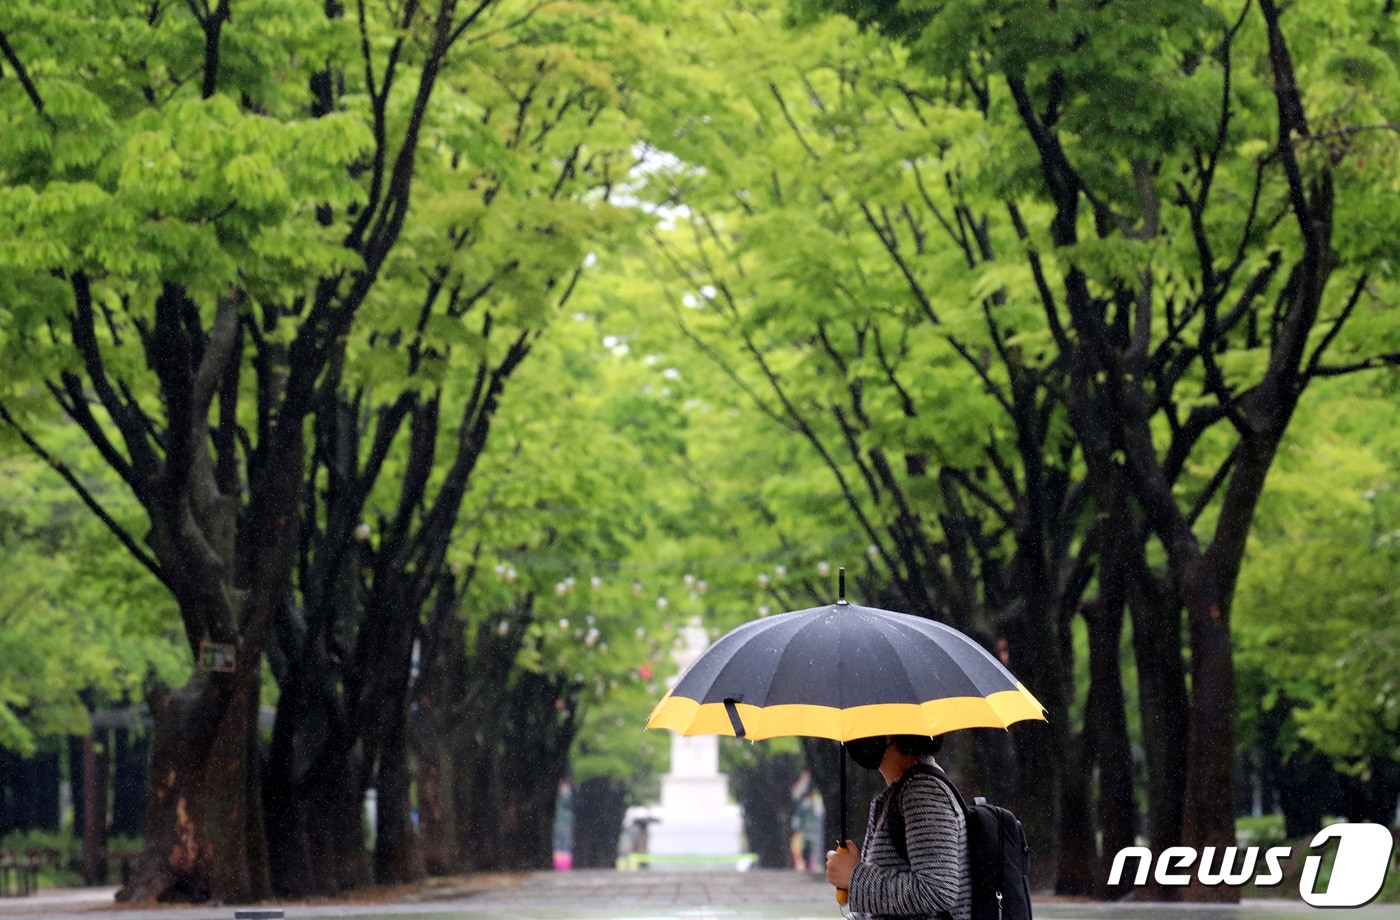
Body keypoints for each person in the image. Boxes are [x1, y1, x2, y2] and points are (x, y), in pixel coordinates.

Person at [825, 735, 970, 920]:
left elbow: (938, 890)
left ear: (894, 735)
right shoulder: (898, 794)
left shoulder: (922, 791)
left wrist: (854, 876)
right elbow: (876, 913)